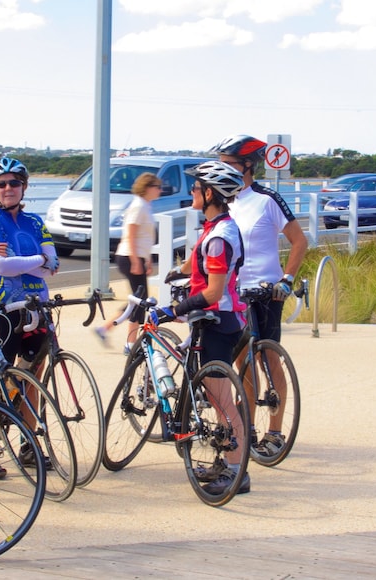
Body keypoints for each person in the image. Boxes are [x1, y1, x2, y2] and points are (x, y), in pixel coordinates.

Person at [210, 134, 308, 459]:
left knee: (269, 360)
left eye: (228, 164)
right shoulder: (225, 204)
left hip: (267, 293)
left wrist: (287, 279)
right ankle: (247, 425)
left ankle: (276, 430)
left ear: (248, 166)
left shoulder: (267, 199)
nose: (222, 169)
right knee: (243, 364)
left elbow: (299, 241)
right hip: (235, 294)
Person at [159, 160, 249, 496]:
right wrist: (175, 272)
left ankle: (238, 473)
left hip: (220, 322)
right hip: (214, 320)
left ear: (210, 193)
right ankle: (225, 462)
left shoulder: (219, 237)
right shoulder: (214, 227)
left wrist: (175, 309)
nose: (192, 192)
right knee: (215, 397)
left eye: (197, 188)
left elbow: (213, 291)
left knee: (224, 402)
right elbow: (194, 265)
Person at [0, 156, 59, 476]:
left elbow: (53, 266)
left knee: (32, 377)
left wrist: (25, 261)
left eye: (14, 183)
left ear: (24, 187)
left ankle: (26, 443)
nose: (8, 188)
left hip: (37, 307)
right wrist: (38, 260)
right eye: (1, 184)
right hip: (3, 308)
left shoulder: (35, 222)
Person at [94, 172, 161, 354]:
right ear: (147, 188)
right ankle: (130, 344)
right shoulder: (138, 206)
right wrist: (135, 260)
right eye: (157, 187)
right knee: (140, 302)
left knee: (139, 301)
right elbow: (130, 235)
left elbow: (144, 237)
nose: (160, 190)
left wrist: (146, 260)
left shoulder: (145, 206)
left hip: (137, 256)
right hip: (129, 256)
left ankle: (106, 328)